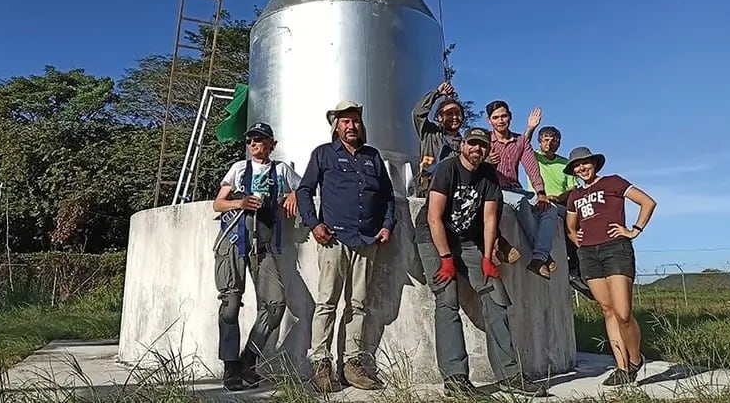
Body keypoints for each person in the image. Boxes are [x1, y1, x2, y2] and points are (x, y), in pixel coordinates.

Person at [415, 127, 548, 397]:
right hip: (434, 238)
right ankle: (455, 379)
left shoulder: (488, 175)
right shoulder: (447, 169)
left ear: (488, 150)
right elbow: (433, 217)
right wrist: (446, 259)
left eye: (483, 145)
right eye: (472, 144)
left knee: (496, 296)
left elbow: (489, 219)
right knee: (447, 300)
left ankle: (509, 375)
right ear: (463, 145)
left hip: (467, 241)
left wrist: (487, 259)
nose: (477, 149)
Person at [296, 100, 396, 392]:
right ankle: (320, 364)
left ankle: (352, 365)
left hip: (367, 241)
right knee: (327, 303)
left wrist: (387, 226)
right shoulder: (323, 154)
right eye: (345, 121)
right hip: (334, 239)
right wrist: (314, 224)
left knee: (358, 305)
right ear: (336, 126)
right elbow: (304, 190)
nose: (351, 126)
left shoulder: (372, 156)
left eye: (355, 121)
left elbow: (388, 197)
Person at [211, 122, 302, 391]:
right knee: (230, 304)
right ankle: (230, 367)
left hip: (262, 246)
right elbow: (218, 204)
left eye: (259, 139)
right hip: (233, 239)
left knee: (275, 304)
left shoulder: (282, 170)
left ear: (272, 144)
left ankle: (248, 359)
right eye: (250, 140)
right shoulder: (239, 168)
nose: (253, 144)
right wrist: (239, 202)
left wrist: (294, 195)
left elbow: (305, 188)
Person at [564, 147, 657, 386]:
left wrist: (634, 230)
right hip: (588, 255)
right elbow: (571, 228)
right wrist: (580, 242)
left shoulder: (613, 182)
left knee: (623, 313)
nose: (582, 168)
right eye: (577, 166)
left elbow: (647, 202)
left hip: (615, 249)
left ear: (594, 163)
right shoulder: (574, 196)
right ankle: (621, 367)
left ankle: (635, 360)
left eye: (585, 163)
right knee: (607, 310)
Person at [412, 82, 520, 265]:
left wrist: (488, 163)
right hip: (432, 187)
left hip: (457, 192)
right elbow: (417, 113)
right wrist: (437, 93)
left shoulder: (466, 142)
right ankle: (495, 243)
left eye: (458, 113)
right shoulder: (430, 133)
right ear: (439, 116)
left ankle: (493, 242)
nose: (454, 117)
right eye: (449, 113)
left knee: (490, 194)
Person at [485, 100, 557, 279]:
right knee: (521, 202)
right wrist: (487, 162)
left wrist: (541, 193)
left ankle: (539, 257)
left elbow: (532, 168)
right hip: (496, 190)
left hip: (515, 188)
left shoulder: (521, 141)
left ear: (510, 117)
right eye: (496, 117)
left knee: (550, 208)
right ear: (489, 121)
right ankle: (542, 256)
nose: (500, 120)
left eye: (503, 116)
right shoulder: (485, 141)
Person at [526, 125, 593, 299]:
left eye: (554, 140)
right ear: (539, 142)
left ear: (559, 143)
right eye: (546, 140)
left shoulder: (565, 164)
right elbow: (522, 144)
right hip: (538, 200)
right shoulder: (534, 157)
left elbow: (572, 188)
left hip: (562, 203)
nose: (549, 144)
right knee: (565, 221)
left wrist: (558, 197)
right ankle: (572, 271)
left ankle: (585, 270)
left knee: (582, 222)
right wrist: (531, 128)